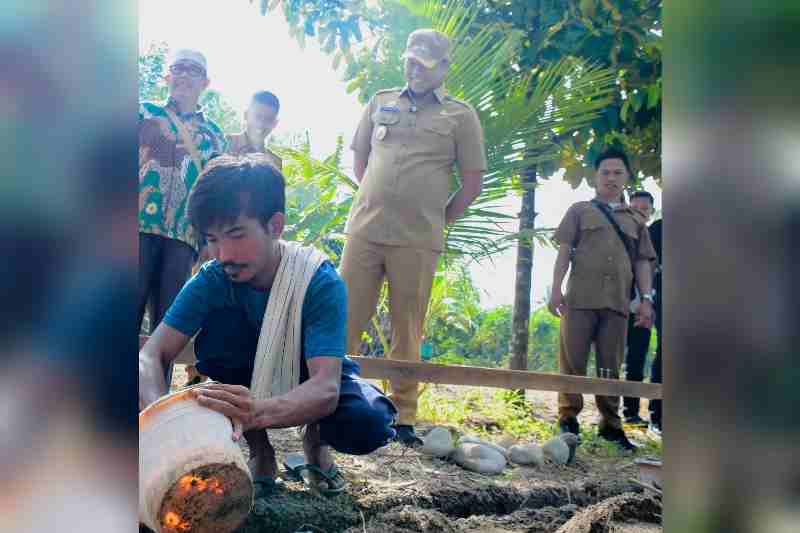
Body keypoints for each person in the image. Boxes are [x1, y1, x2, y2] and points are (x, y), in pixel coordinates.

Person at [138, 155, 397, 498]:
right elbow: (151, 355)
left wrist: (256, 412)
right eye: (212, 239)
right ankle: (261, 451)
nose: (222, 254)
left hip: (308, 375)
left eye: (235, 234)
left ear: (275, 225)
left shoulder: (317, 279)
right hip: (244, 373)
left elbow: (325, 386)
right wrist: (162, 419)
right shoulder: (212, 279)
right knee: (221, 338)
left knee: (366, 422)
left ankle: (316, 441)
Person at [340, 29, 487, 447]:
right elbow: (361, 160)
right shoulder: (381, 100)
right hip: (365, 230)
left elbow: (472, 183)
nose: (414, 70)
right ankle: (330, 399)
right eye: (410, 61)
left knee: (407, 328)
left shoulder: (461, 116)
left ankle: (402, 416)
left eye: (423, 64)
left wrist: (436, 221)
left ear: (444, 68)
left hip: (417, 239)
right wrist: (377, 199)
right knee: (344, 317)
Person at [548, 148, 657, 451]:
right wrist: (555, 289)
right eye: (605, 172)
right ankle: (568, 419)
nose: (611, 178)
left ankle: (610, 424)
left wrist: (646, 299)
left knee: (611, 365)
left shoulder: (636, 220)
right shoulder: (579, 210)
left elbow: (643, 263)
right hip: (579, 300)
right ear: (595, 177)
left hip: (617, 304)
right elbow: (564, 251)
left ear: (627, 178)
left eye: (617, 173)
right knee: (572, 363)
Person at [138, 49, 226, 342]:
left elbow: (215, 193)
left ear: (205, 83)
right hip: (133, 230)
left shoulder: (215, 136)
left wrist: (210, 239)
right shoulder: (143, 113)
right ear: (168, 76)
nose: (185, 74)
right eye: (179, 68)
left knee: (166, 329)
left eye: (194, 70)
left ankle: (158, 376)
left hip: (183, 238)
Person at [622, 190, 657, 426]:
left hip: (644, 309)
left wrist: (648, 303)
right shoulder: (620, 235)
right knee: (610, 359)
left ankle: (631, 413)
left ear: (652, 211)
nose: (640, 213)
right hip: (617, 307)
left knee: (636, 360)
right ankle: (609, 413)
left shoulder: (656, 238)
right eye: (635, 209)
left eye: (645, 209)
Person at [226, 90, 282, 169]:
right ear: (246, 115)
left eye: (268, 119)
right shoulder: (225, 143)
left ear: (275, 123)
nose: (261, 124)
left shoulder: (275, 162)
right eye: (257, 117)